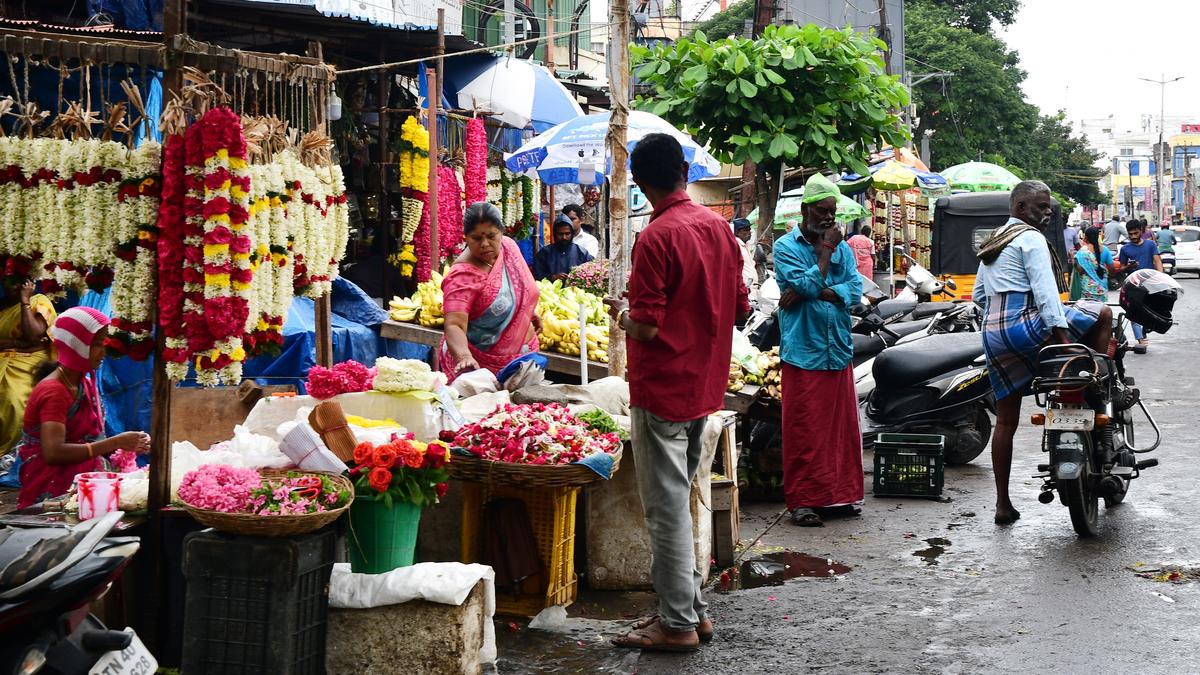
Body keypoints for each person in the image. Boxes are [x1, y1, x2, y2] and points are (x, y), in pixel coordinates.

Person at [606, 133, 748, 653]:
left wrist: (618, 315)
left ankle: (677, 623)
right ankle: (693, 612)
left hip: (663, 389)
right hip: (703, 386)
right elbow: (742, 308)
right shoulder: (719, 229)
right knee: (681, 501)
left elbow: (643, 327)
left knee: (664, 510)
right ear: (684, 173)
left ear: (642, 182)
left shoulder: (657, 236)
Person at [974, 181, 1113, 526]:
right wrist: (1064, 338)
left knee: (1005, 421)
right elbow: (1047, 293)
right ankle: (1095, 381)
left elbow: (978, 294)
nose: (1047, 212)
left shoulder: (995, 239)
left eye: (1047, 206)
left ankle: (1003, 505)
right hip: (1027, 324)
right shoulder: (1031, 239)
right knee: (1104, 314)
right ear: (1020, 208)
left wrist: (998, 324)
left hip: (993, 332)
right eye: (1040, 206)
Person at [772, 173, 864, 527]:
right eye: (822, 211)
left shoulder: (844, 249)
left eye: (832, 211)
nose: (828, 218)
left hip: (836, 347)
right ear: (805, 210)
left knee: (839, 429)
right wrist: (824, 255)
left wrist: (816, 289)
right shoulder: (785, 247)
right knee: (804, 428)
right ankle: (803, 501)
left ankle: (837, 497)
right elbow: (801, 284)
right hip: (804, 349)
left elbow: (854, 290)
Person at [17, 307, 151, 509]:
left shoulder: (82, 383)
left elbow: (89, 438)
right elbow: (53, 453)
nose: (103, 351)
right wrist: (116, 441)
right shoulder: (54, 391)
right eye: (97, 344)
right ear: (76, 346)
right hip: (51, 485)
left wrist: (127, 443)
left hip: (78, 477)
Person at [439, 202, 542, 383]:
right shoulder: (462, 276)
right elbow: (454, 325)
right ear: (466, 238)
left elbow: (517, 287)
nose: (485, 244)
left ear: (501, 232)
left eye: (492, 236)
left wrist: (524, 311)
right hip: (480, 369)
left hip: (523, 358)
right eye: (476, 238)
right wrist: (464, 357)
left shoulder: (509, 248)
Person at [0, 279, 55, 455]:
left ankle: (10, 456)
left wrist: (25, 300)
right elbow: (30, 341)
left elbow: (33, 336)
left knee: (13, 399)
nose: (13, 284)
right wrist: (18, 342)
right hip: (2, 358)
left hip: (30, 361)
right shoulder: (2, 306)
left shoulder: (38, 300)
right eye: (9, 280)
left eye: (18, 280)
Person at [1118, 220, 1163, 350]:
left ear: (1141, 231)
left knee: (1149, 311)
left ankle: (1145, 329)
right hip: (1133, 285)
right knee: (1134, 312)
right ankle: (1141, 339)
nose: (1133, 236)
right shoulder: (1125, 249)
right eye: (1130, 234)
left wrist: (1161, 277)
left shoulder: (1150, 245)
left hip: (1150, 283)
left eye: (1135, 233)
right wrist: (1128, 266)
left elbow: (1157, 261)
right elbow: (1121, 268)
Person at [534, 215, 593, 281]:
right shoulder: (544, 253)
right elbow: (537, 275)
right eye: (560, 234)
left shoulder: (582, 252)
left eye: (567, 234)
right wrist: (552, 278)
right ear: (554, 234)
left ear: (572, 234)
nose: (564, 237)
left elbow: (590, 274)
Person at [1071, 226, 1116, 302]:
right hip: (1102, 288)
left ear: (1086, 237)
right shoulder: (1105, 250)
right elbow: (1112, 270)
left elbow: (1080, 270)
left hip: (1087, 290)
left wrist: (1072, 259)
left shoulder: (1083, 251)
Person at [731, 218, 760, 290]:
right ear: (737, 232)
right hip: (743, 288)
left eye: (749, 230)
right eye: (745, 230)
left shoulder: (745, 245)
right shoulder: (735, 245)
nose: (749, 233)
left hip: (751, 288)